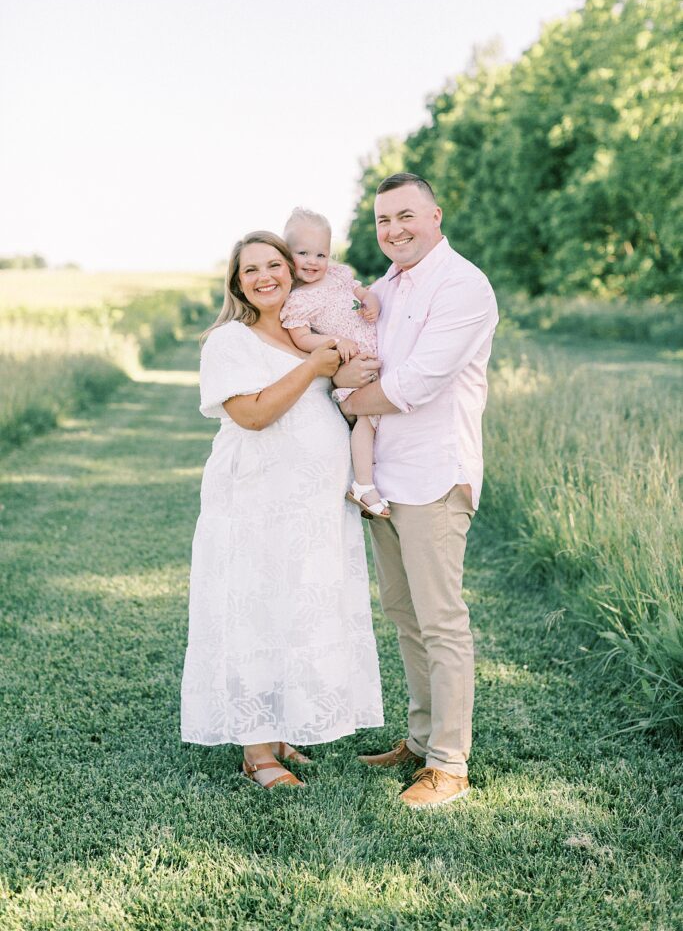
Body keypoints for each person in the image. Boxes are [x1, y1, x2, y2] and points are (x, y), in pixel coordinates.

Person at [180, 231, 384, 790]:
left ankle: (279, 731)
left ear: (293, 272)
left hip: (311, 511)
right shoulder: (228, 342)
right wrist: (316, 366)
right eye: (251, 270)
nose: (265, 276)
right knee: (255, 612)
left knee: (296, 611)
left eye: (275, 265)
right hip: (255, 505)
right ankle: (256, 751)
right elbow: (252, 414)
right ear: (237, 283)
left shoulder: (309, 338)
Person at [338, 173, 498, 810]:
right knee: (405, 617)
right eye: (382, 221)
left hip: (435, 474)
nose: (394, 230)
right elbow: (347, 352)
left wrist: (347, 397)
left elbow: (415, 384)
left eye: (406, 215)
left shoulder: (463, 285)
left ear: (435, 215)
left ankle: (450, 766)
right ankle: (420, 736)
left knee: (441, 621)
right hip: (384, 480)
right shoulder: (382, 289)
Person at [280, 207, 389, 518]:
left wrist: (371, 301)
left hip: (374, 357)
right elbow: (301, 339)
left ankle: (375, 479)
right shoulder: (298, 300)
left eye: (321, 254)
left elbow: (363, 291)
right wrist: (334, 341)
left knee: (384, 424)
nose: (314, 262)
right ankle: (363, 486)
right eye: (303, 253)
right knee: (367, 421)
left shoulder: (338, 276)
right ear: (287, 255)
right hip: (353, 362)